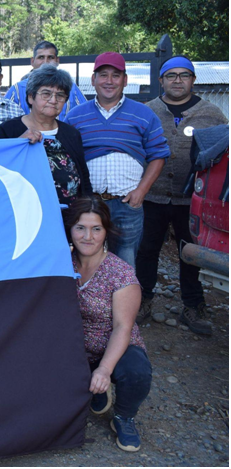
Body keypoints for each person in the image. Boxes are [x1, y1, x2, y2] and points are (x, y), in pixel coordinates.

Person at [135, 56, 229, 334]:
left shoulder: (212, 114)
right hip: (153, 195)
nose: (177, 80)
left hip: (193, 201)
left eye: (184, 75)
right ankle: (142, 301)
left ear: (193, 80)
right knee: (147, 250)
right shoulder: (146, 111)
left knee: (191, 253)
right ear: (161, 80)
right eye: (171, 75)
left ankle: (193, 305)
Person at [64, 196, 152, 452]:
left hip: (112, 345)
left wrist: (104, 368)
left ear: (106, 231)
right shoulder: (60, 263)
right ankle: (94, 390)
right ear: (70, 230)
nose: (87, 236)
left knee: (136, 371)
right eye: (80, 228)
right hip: (74, 346)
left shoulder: (121, 273)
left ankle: (124, 416)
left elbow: (123, 327)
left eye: (96, 229)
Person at [66, 52, 169, 267]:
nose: (109, 81)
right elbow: (64, 157)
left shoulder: (144, 114)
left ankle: (125, 302)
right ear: (93, 80)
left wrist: (140, 192)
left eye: (116, 75)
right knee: (85, 260)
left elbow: (158, 155)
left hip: (127, 204)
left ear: (125, 80)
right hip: (89, 204)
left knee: (125, 261)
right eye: (103, 75)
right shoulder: (75, 116)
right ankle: (88, 301)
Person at [0, 65, 92, 205]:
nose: (53, 100)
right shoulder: (8, 131)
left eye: (60, 95)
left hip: (70, 216)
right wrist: (18, 143)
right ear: (30, 97)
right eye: (46, 94)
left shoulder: (71, 134)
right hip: (25, 214)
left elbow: (84, 177)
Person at [5, 40, 87, 120]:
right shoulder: (17, 90)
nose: (46, 62)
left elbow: (86, 115)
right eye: (41, 57)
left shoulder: (71, 88)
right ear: (32, 61)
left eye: (50, 57)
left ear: (57, 61)